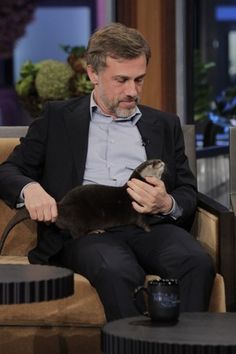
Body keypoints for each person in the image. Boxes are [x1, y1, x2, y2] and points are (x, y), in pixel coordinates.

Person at [0, 22, 215, 321]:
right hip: (87, 231)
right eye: (122, 80)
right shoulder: (57, 118)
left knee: (196, 262)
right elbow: (8, 170)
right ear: (93, 74)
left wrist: (167, 204)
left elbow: (187, 192)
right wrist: (30, 190)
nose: (132, 91)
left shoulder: (164, 124)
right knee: (117, 269)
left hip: (149, 226)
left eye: (139, 80)